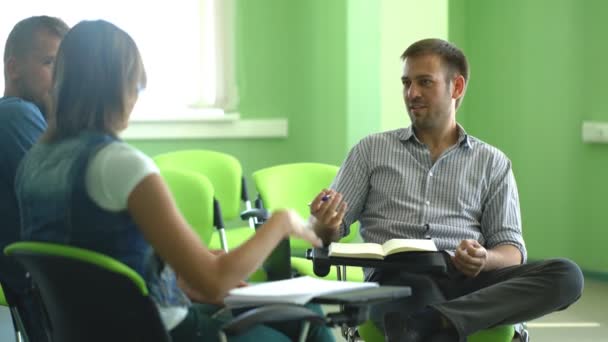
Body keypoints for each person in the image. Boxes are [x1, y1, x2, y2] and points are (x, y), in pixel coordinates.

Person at [15, 20, 334, 342]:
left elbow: (99, 258)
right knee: (309, 321)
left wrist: (176, 276)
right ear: (120, 86)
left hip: (96, 332)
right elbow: (214, 281)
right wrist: (281, 222)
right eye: (137, 87)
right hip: (170, 332)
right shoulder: (121, 164)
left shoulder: (34, 164)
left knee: (303, 315)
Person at [309, 38, 583, 342]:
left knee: (567, 276)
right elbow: (324, 234)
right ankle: (442, 322)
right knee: (410, 304)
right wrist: (325, 223)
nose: (412, 93)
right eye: (406, 83)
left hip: (469, 278)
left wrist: (483, 258)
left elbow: (511, 251)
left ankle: (434, 320)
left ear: (457, 87)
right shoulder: (370, 151)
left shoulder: (492, 162)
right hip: (398, 278)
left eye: (424, 82)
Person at [0, 15, 69, 341]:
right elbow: (76, 203)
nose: (61, 79)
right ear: (14, 68)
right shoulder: (15, 114)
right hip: (58, 297)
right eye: (49, 63)